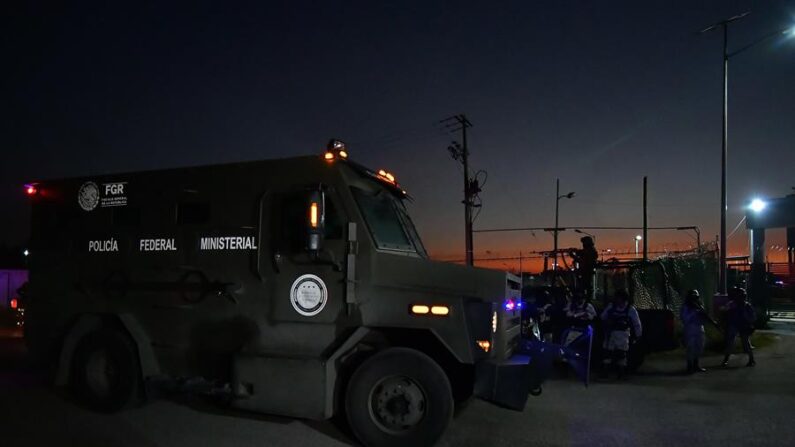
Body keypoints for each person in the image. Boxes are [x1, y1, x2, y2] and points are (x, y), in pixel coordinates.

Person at [600, 289, 642, 379]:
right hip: (611, 333)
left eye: (619, 298)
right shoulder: (611, 307)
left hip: (623, 334)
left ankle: (621, 372)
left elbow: (636, 323)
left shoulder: (630, 309)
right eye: (617, 298)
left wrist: (638, 335)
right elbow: (603, 317)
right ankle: (605, 371)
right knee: (607, 352)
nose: (618, 300)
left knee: (621, 353)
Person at [721, 286, 756, 367]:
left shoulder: (746, 306)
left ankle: (751, 359)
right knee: (730, 343)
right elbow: (725, 310)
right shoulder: (733, 304)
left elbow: (753, 317)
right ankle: (726, 360)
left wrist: (748, 321)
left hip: (742, 325)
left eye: (742, 296)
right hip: (735, 325)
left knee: (745, 343)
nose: (740, 298)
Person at [681, 289, 710, 373]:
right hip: (690, 329)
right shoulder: (686, 307)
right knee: (691, 348)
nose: (695, 299)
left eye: (696, 297)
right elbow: (685, 319)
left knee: (699, 347)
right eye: (693, 297)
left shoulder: (699, 306)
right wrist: (694, 312)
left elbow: (704, 319)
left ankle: (696, 365)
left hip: (700, 328)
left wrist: (703, 314)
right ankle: (690, 366)